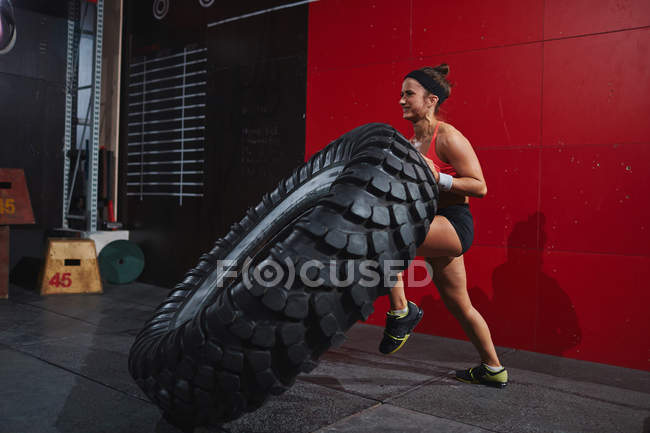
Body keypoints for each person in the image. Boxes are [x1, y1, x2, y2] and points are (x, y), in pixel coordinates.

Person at [378, 64, 508, 388]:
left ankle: (401, 311)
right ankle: (493, 369)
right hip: (430, 224)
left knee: (383, 235)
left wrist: (440, 177)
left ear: (431, 99)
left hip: (452, 225)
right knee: (460, 306)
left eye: (409, 93)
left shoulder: (447, 137)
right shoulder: (410, 144)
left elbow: (480, 186)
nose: (402, 100)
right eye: (401, 94)